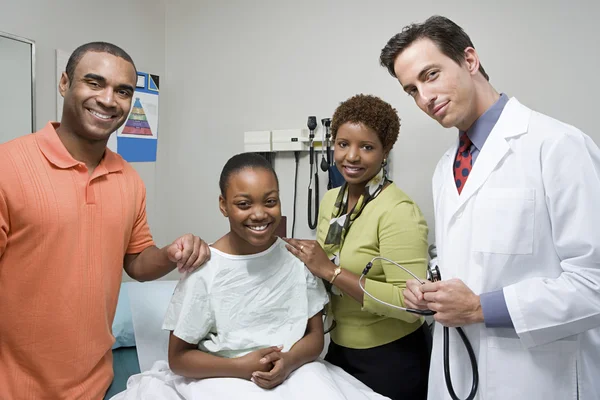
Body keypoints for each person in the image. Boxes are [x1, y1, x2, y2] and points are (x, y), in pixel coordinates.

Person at [379, 15, 600, 400]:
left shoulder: (557, 146)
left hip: (540, 379)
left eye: (430, 75)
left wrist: (482, 308)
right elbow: (471, 265)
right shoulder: (446, 168)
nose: (424, 98)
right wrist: (431, 293)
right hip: (457, 372)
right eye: (411, 90)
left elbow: (593, 284)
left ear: (469, 60)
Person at [0, 42, 210, 400]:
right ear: (65, 83)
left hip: (95, 384)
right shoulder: (9, 165)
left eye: (123, 91)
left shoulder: (129, 180)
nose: (109, 100)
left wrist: (171, 253)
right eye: (94, 83)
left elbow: (137, 262)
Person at [111, 152, 389, 400]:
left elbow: (315, 336)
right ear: (223, 205)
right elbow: (179, 358)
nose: (259, 214)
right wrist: (240, 367)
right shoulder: (205, 268)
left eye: (270, 202)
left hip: (295, 373)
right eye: (244, 204)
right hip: (223, 376)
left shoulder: (297, 260)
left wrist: (290, 361)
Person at [285, 94, 431, 399]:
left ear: (385, 151)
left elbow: (411, 307)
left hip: (391, 359)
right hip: (339, 351)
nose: (351, 157)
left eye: (366, 147)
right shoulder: (331, 200)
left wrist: (331, 270)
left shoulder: (398, 210)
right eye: (342, 144)